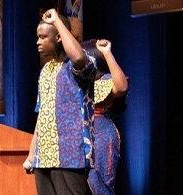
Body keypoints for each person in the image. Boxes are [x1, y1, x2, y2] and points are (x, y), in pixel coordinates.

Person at [25, 9, 98, 195]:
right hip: (44, 157)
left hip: (70, 156)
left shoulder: (78, 65)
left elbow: (79, 57)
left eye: (43, 37)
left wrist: (57, 20)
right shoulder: (46, 70)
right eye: (37, 37)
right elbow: (42, 115)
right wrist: (32, 154)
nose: (38, 42)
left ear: (58, 37)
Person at [83, 39, 128, 194]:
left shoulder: (104, 80)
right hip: (81, 133)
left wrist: (107, 53)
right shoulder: (75, 83)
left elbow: (121, 87)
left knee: (100, 183)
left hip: (101, 134)